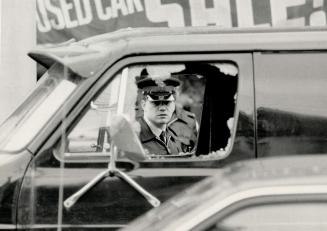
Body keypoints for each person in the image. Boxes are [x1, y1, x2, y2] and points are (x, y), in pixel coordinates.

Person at [136, 74, 185, 155]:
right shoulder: (133, 139)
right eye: (156, 103)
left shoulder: (174, 137)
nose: (162, 108)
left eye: (167, 102)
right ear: (143, 105)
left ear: (173, 104)